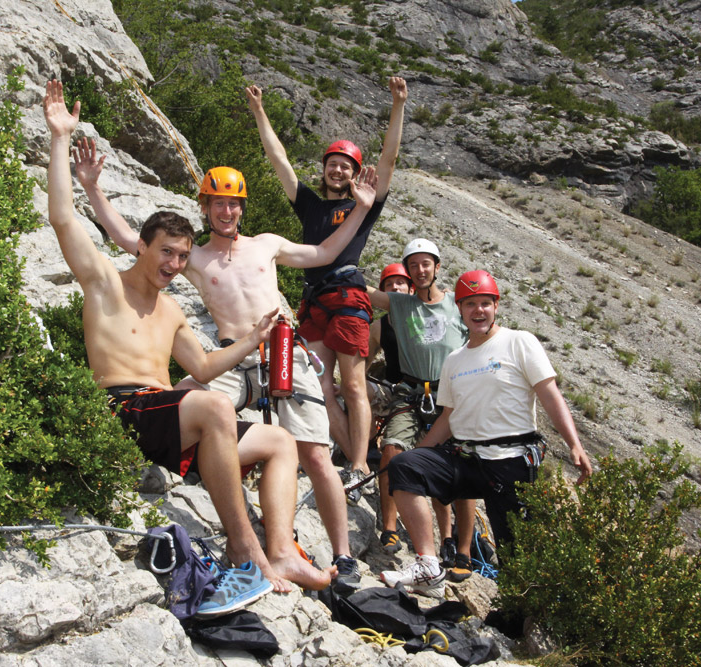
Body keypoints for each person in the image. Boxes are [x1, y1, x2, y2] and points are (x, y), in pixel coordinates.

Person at [43, 79, 331, 596]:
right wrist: (60, 138)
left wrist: (255, 340)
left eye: (182, 256)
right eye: (166, 253)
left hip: (170, 421)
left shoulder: (172, 308)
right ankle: (246, 551)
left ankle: (284, 552)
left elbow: (201, 368)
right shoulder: (104, 284)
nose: (175, 265)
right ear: (141, 248)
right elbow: (63, 219)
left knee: (281, 441)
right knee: (215, 408)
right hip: (124, 406)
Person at [72, 143, 379, 591]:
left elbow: (327, 253)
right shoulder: (192, 257)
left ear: (243, 207)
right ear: (205, 206)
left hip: (283, 353)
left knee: (313, 452)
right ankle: (195, 463)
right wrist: (93, 189)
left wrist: (361, 211)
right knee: (183, 393)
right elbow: (126, 238)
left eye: (235, 202)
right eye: (219, 202)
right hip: (235, 356)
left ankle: (343, 556)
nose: (228, 211)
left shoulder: (267, 246)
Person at [380, 270, 593, 598]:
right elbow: (449, 417)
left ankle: (519, 611)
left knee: (514, 550)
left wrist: (574, 445)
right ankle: (428, 566)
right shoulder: (454, 360)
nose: (478, 311)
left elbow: (550, 395)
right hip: (467, 458)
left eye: (485, 304)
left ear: (496, 307)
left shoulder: (519, 342)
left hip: (511, 461)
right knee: (404, 467)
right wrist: (418, 454)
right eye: (470, 305)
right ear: (460, 310)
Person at [247, 77, 408, 495]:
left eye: (347, 166)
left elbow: (388, 161)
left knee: (353, 384)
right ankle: (349, 455)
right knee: (318, 384)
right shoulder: (311, 205)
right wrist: (260, 112)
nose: (338, 170)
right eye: (332, 163)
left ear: (356, 174)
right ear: (324, 169)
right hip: (314, 302)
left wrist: (397, 106)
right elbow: (279, 159)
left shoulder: (363, 206)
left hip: (348, 297)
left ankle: (357, 463)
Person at [367, 242, 469, 566]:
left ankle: (460, 549)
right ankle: (389, 526)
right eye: (414, 266)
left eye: (426, 264)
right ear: (408, 272)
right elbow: (366, 292)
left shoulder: (457, 305)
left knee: (462, 466)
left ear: (437, 267)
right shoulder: (399, 305)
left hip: (452, 395)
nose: (420, 271)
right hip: (412, 392)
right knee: (392, 450)